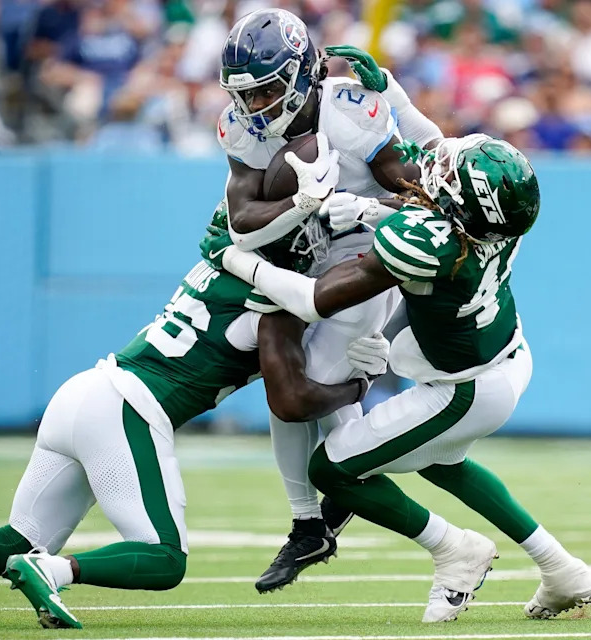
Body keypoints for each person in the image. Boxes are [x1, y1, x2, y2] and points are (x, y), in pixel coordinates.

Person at [0, 204, 391, 630]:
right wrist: (356, 384)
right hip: (127, 408)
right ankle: (57, 573)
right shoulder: (273, 301)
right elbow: (290, 399)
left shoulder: (221, 267)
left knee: (15, 538)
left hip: (84, 391)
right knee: (164, 560)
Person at [202, 133, 591, 622]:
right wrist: (370, 210)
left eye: (450, 174)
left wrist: (236, 258)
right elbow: (440, 227)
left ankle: (455, 550)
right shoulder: (499, 222)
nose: (438, 167)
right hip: (507, 357)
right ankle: (560, 568)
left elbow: (314, 299)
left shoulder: (427, 241)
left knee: (332, 470)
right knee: (437, 461)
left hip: (464, 390)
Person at [214, 8, 444, 593]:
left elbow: (431, 198)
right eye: (243, 92)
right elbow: (243, 218)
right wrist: (303, 205)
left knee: (303, 386)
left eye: (265, 87)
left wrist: (369, 207)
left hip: (367, 257)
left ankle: (338, 483)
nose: (254, 105)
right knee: (280, 380)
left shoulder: (350, 109)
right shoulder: (242, 126)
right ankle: (309, 519)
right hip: (303, 250)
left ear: (298, 73)